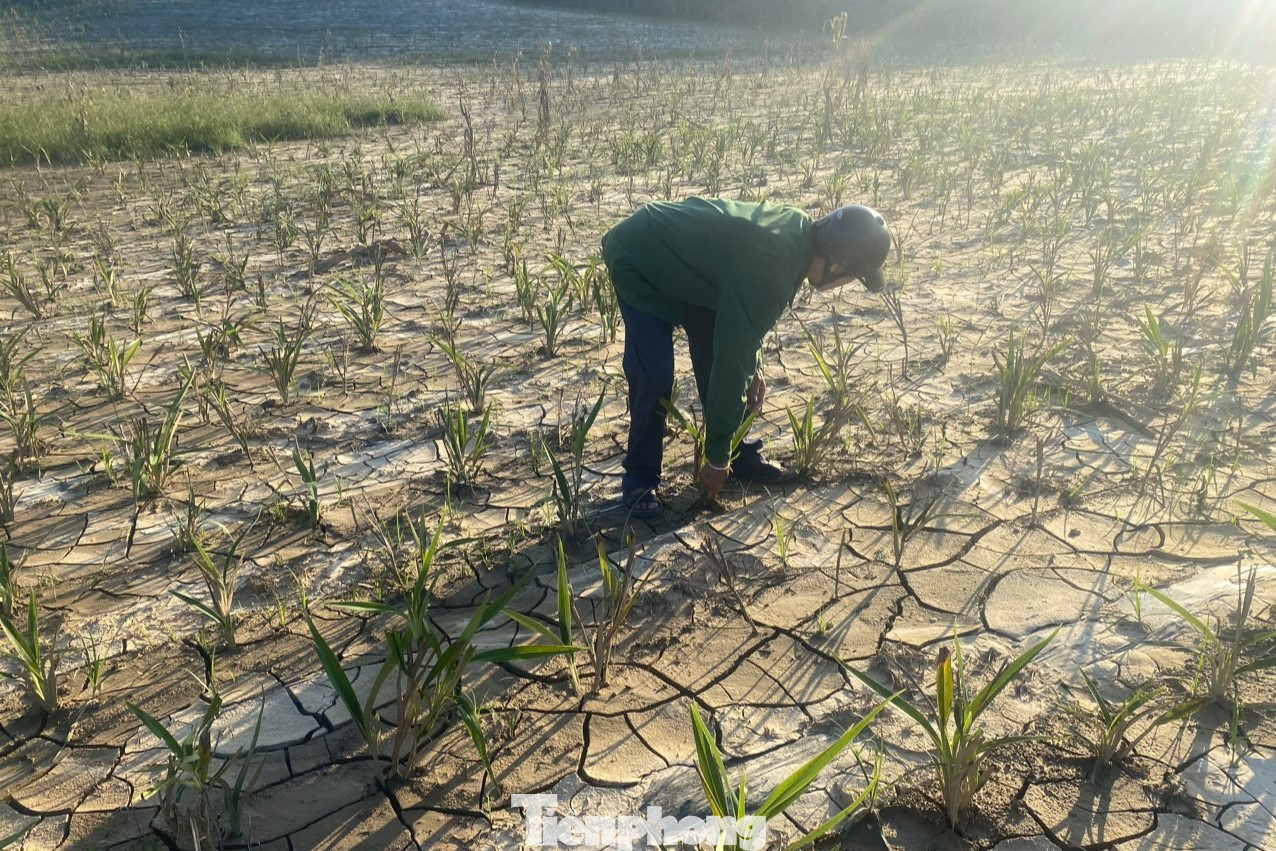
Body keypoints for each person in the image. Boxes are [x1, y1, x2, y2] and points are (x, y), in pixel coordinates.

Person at [601, 197, 892, 518]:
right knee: (654, 375)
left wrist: (754, 366)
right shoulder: (774, 268)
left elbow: (739, 312)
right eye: (852, 278)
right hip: (640, 257)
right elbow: (731, 362)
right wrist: (715, 460)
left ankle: (740, 455)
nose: (844, 285)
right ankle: (639, 480)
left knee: (727, 357)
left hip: (692, 271)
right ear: (839, 265)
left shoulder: (798, 233)